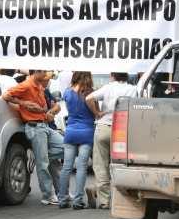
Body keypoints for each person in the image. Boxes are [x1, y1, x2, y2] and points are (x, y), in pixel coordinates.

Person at [2, 70, 64, 205]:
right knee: (44, 163)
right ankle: (48, 195)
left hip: (44, 125)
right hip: (34, 127)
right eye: (43, 72)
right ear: (36, 72)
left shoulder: (39, 85)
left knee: (66, 148)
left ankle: (40, 156)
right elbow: (6, 96)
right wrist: (24, 104)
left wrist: (49, 113)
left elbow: (53, 106)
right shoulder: (26, 85)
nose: (46, 76)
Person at [85, 72, 138, 209]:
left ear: (112, 75)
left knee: (100, 164)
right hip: (122, 130)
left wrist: (97, 113)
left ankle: (104, 201)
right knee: (121, 164)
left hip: (103, 128)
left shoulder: (108, 87)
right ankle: (123, 198)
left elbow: (89, 98)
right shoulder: (133, 89)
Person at [58, 72, 96, 210]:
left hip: (71, 132)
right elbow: (95, 112)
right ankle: (78, 200)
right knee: (81, 167)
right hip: (86, 132)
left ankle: (62, 199)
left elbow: (69, 110)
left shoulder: (67, 93)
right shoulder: (90, 94)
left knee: (66, 167)